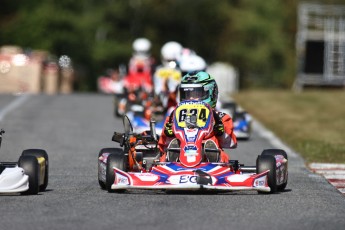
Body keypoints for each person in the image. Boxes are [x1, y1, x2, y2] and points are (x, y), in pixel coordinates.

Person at [158, 71, 237, 163]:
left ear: (211, 93)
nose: (191, 99)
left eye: (195, 95)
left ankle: (210, 154)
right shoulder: (173, 117)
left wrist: (221, 133)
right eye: (188, 95)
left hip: (211, 162)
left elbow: (231, 143)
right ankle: (174, 154)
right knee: (164, 156)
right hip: (179, 157)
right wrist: (169, 136)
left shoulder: (220, 118)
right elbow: (162, 146)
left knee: (222, 156)